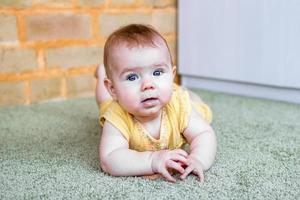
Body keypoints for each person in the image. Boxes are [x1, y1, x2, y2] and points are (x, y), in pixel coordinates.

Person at [96, 24, 217, 183]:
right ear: (112, 88)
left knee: (200, 108)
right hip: (124, 100)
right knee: (104, 101)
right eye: (132, 77)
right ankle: (101, 74)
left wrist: (198, 159)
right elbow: (110, 159)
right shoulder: (117, 115)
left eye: (157, 72)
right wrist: (152, 160)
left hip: (179, 98)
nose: (148, 84)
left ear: (172, 75)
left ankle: (175, 88)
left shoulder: (180, 105)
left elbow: (204, 134)